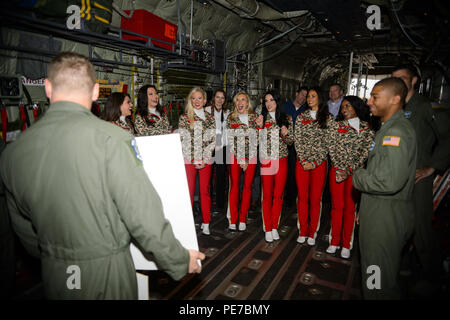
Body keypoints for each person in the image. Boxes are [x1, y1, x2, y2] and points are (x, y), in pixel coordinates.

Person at [0, 52, 205, 299]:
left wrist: (57, 253)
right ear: (96, 91)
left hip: (55, 272)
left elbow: (22, 228)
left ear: (47, 87)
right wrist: (179, 260)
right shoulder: (113, 140)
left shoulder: (14, 153)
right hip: (107, 272)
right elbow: (141, 214)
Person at [353, 77, 416, 299]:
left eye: (375, 97)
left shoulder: (395, 133)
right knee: (378, 273)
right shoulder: (388, 128)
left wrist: (357, 176)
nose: (369, 101)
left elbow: (387, 182)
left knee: (376, 281)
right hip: (378, 211)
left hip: (385, 218)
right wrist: (365, 208)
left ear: (395, 99)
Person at [392, 65, 450, 288]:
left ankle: (433, 277)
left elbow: (447, 137)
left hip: (418, 178)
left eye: (403, 78)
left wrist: (433, 167)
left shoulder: (426, 106)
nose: (398, 82)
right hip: (397, 177)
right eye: (394, 79)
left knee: (421, 230)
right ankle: (404, 265)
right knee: (399, 226)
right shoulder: (396, 106)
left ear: (414, 80)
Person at [327, 96, 374, 259]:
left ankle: (346, 244)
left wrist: (349, 169)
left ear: (356, 107)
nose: (344, 110)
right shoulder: (336, 125)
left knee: (350, 208)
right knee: (336, 206)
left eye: (348, 106)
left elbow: (366, 152)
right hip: (337, 171)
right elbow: (331, 147)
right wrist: (340, 168)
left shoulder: (366, 127)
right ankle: (334, 242)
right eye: (342, 107)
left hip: (355, 173)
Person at [294, 87, 334, 245]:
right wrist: (304, 161)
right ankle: (303, 230)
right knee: (302, 198)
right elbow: (298, 139)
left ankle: (312, 232)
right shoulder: (302, 116)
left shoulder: (328, 118)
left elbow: (328, 144)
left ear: (320, 98)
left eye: (313, 96)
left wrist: (315, 162)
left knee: (315, 199)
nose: (309, 99)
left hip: (319, 164)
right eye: (308, 96)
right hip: (302, 163)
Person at [178, 87, 216, 236]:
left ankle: (206, 222)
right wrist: (194, 159)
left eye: (199, 98)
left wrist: (204, 159)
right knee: (189, 191)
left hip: (205, 159)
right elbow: (184, 139)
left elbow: (213, 140)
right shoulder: (184, 117)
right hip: (189, 159)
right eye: (193, 98)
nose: (197, 101)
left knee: (205, 191)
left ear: (205, 100)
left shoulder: (210, 118)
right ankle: (187, 224)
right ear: (190, 100)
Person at [259, 90, 294, 242]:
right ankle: (267, 227)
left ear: (277, 102)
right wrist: (259, 127)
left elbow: (290, 142)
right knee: (267, 195)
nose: (268, 103)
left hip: (281, 159)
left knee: (278, 195)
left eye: (271, 100)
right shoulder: (261, 118)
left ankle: (274, 226)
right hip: (267, 160)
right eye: (266, 101)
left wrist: (285, 133)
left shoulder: (286, 118)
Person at [226, 92, 261, 231]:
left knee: (247, 187)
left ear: (247, 103)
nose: (240, 102)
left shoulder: (254, 118)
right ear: (235, 103)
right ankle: (233, 220)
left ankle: (242, 218)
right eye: (237, 100)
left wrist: (247, 158)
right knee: (234, 187)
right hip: (235, 155)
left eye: (243, 100)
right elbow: (230, 139)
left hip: (251, 155)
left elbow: (257, 139)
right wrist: (241, 158)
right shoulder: (231, 118)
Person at [283, 86, 308, 208]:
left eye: (306, 96)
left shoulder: (305, 111)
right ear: (297, 94)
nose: (303, 98)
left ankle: (290, 199)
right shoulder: (285, 106)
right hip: (284, 142)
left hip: (297, 145)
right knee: (283, 171)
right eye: (302, 94)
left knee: (293, 172)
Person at [208, 89, 229, 213]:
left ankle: (220, 203)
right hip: (210, 147)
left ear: (225, 100)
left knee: (221, 176)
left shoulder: (228, 113)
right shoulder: (206, 111)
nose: (220, 100)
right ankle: (208, 201)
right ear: (213, 98)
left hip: (222, 147)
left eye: (222, 98)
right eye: (217, 97)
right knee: (208, 175)